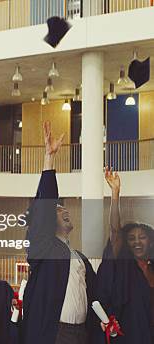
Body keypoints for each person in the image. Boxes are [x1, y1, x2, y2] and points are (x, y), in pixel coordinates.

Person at [21, 122, 97, 344]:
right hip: (55, 334)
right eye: (57, 209)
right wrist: (49, 159)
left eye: (64, 208)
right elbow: (44, 208)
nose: (63, 210)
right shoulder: (43, 248)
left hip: (81, 333)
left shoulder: (79, 258)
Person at [95, 167, 154, 343]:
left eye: (142, 237)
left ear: (150, 242)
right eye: (131, 238)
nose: (137, 241)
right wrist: (115, 193)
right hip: (131, 335)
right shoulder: (125, 268)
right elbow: (115, 232)